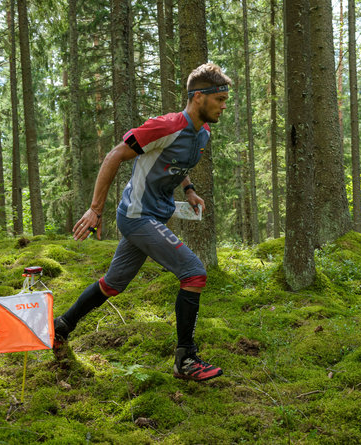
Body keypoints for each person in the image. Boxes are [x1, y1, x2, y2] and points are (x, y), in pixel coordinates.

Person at [53, 63, 231, 382]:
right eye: (219, 99)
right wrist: (95, 209)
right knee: (194, 272)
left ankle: (61, 327)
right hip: (137, 216)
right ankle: (185, 359)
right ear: (199, 97)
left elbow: (177, 162)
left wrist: (188, 189)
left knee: (112, 284)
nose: (223, 106)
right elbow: (114, 156)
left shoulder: (202, 133)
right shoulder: (165, 126)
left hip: (156, 214)